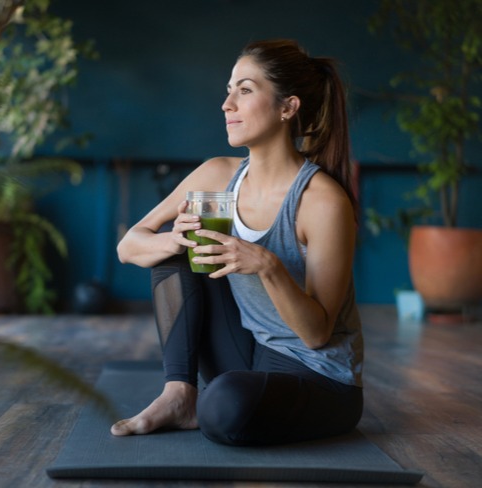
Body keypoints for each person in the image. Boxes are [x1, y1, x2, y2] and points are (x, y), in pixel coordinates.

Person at [111, 39, 363, 446]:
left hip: (318, 376)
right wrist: (174, 241)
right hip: (249, 351)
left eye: (244, 90)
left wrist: (268, 265)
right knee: (173, 253)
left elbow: (317, 334)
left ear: (288, 107)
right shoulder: (216, 175)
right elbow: (129, 246)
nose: (227, 104)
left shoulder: (322, 202)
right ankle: (179, 394)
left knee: (225, 408)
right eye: (229, 90)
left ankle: (212, 403)